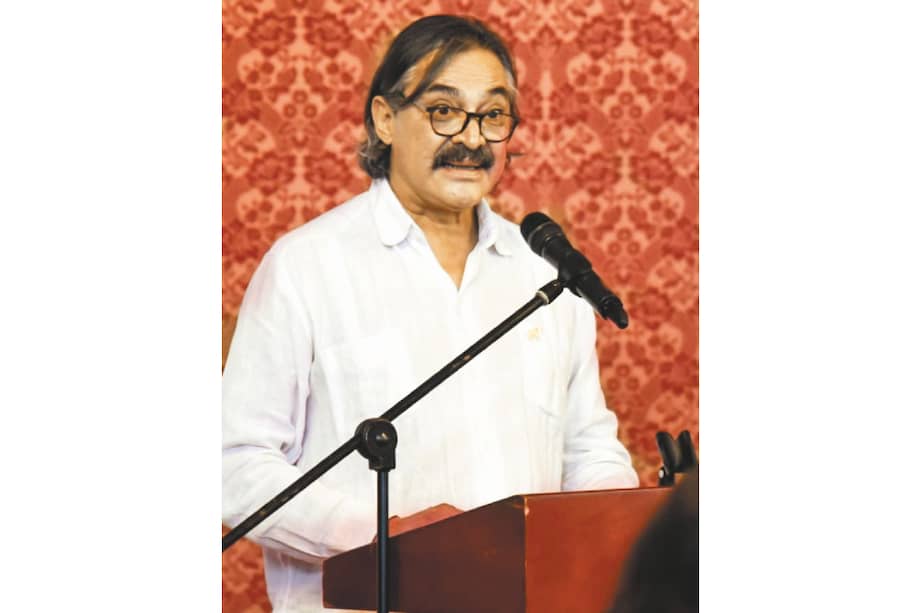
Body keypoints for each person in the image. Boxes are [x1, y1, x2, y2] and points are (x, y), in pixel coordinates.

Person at [222, 14, 639, 613]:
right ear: (385, 118)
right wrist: (381, 531)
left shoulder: (545, 273)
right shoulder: (306, 267)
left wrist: (613, 533)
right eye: (444, 110)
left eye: (493, 115)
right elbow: (234, 467)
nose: (472, 138)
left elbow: (589, 450)